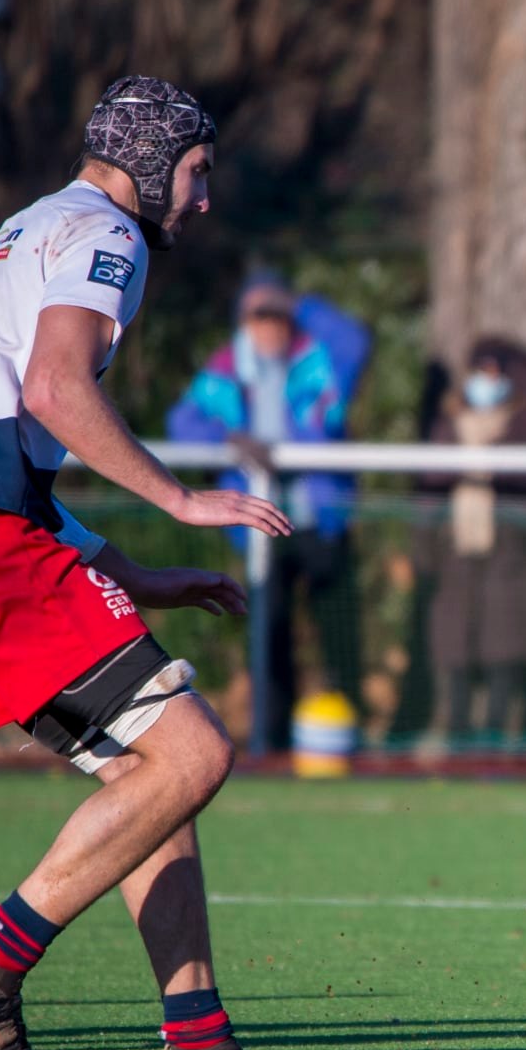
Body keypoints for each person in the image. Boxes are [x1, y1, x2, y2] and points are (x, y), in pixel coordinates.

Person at [0, 76, 344, 1050]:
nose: (203, 197)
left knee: (153, 775)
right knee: (194, 754)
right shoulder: (106, 234)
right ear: (149, 163)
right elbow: (56, 388)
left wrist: (134, 573)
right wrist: (180, 498)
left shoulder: (27, 228)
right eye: (196, 171)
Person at [167, 271, 361, 752]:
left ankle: (347, 741)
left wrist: (299, 302)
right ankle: (271, 744)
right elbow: (182, 424)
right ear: (243, 322)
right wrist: (230, 439)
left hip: (320, 520)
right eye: (258, 316)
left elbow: (355, 340)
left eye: (278, 315)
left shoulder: (317, 358)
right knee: (270, 633)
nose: (269, 326)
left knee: (339, 633)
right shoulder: (227, 368)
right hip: (259, 527)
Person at [421, 337, 526, 741]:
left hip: (515, 549)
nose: (489, 380)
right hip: (459, 547)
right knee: (457, 645)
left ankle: (503, 734)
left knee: (510, 647)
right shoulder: (449, 418)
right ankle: (458, 734)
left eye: (500, 372)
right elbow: (431, 477)